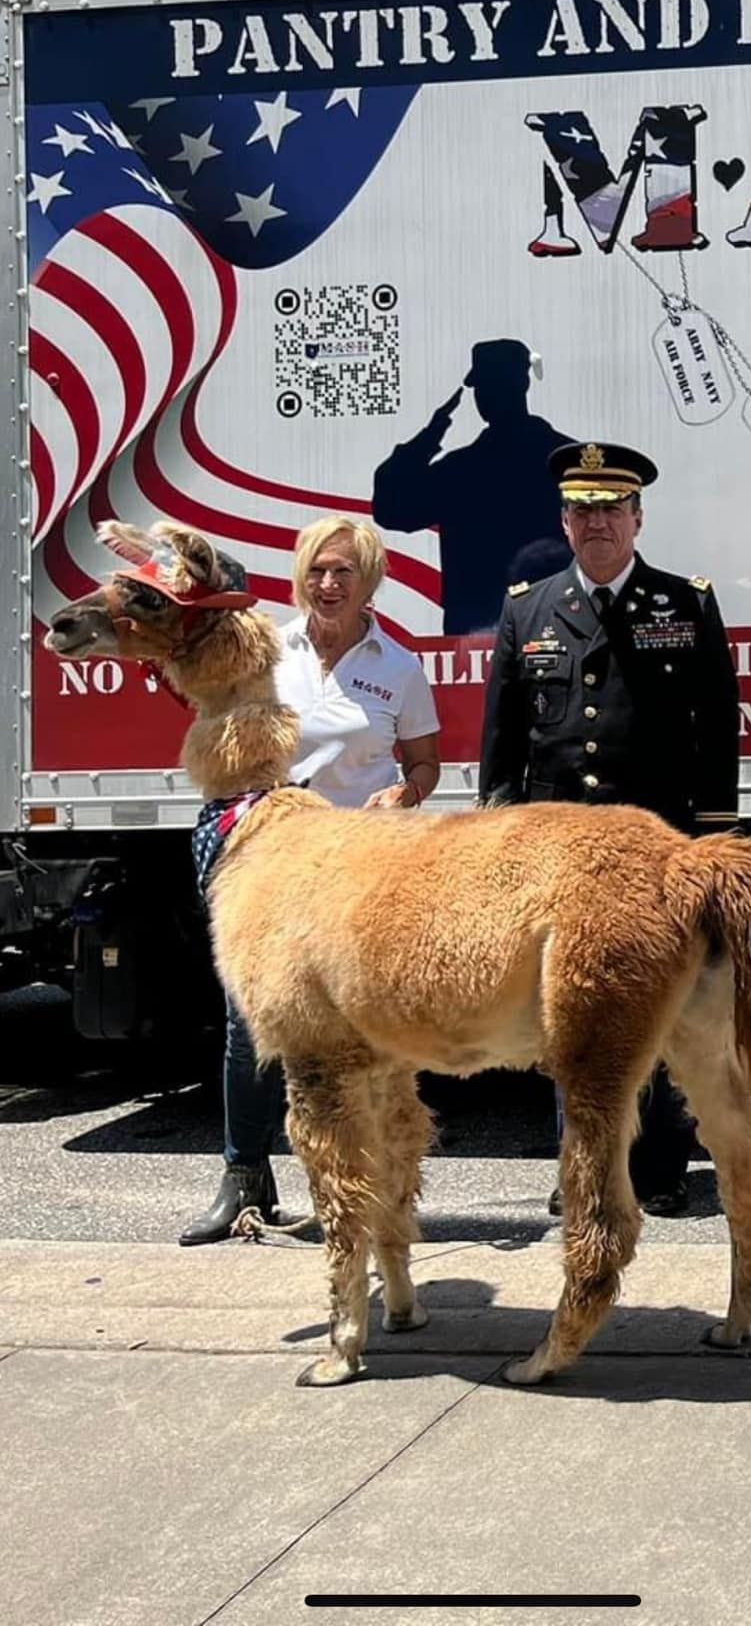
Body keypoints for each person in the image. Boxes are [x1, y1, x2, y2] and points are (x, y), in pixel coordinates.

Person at [478, 438, 740, 1218]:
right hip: (560, 852)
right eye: (582, 511)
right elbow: (502, 740)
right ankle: (584, 1171)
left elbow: (717, 728)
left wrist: (710, 840)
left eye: (611, 511)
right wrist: (501, 840)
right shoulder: (527, 607)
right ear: (563, 522)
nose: (597, 525)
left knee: (652, 1005)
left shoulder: (683, 605)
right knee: (567, 1015)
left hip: (652, 848)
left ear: (637, 518)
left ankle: (658, 1167)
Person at [179, 517, 440, 1246]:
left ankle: (370, 1190)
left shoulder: (397, 666)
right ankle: (243, 1179)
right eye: (317, 571)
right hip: (269, 861)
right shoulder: (264, 652)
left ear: (369, 582)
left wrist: (406, 794)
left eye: (343, 572)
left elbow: (424, 760)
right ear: (300, 577)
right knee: (248, 1024)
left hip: (357, 871)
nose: (328, 584)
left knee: (361, 1026)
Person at [372, 338, 573, 633]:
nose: (484, 396)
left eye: (488, 386)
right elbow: (390, 510)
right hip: (558, 621)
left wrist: (429, 436)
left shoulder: (462, 470)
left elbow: (391, 505)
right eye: (483, 387)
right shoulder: (567, 459)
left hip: (479, 635)